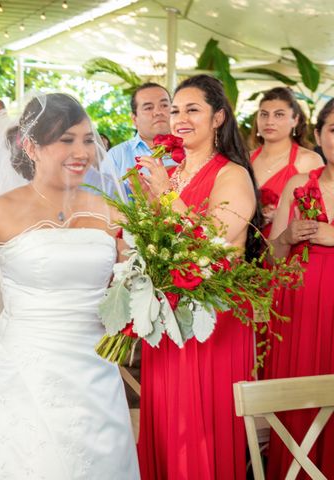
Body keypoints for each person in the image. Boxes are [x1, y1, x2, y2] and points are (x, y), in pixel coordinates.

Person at [0, 93, 139, 479]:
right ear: (31, 146)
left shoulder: (111, 211)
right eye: (65, 140)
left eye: (87, 139)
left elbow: (135, 283)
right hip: (23, 370)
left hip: (96, 372)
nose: (81, 151)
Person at [134, 74, 261, 479]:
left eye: (192, 110)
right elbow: (156, 240)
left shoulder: (232, 174)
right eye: (174, 110)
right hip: (168, 314)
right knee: (169, 418)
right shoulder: (171, 174)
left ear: (218, 117)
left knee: (200, 422)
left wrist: (163, 198)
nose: (179, 118)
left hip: (212, 318)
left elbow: (215, 239)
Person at [265, 99, 334, 479]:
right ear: (320, 135)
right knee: (300, 408)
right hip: (299, 318)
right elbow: (273, 259)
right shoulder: (297, 185)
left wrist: (330, 235)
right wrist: (288, 235)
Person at [250, 87, 323, 237]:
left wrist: (282, 216)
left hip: (287, 251)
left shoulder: (309, 161)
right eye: (264, 115)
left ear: (295, 120)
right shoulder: (245, 159)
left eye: (279, 115)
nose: (269, 121)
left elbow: (321, 213)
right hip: (243, 248)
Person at [101, 82, 172, 188]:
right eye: (148, 108)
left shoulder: (191, 151)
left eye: (164, 105)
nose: (158, 112)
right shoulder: (116, 156)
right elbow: (101, 198)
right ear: (134, 119)